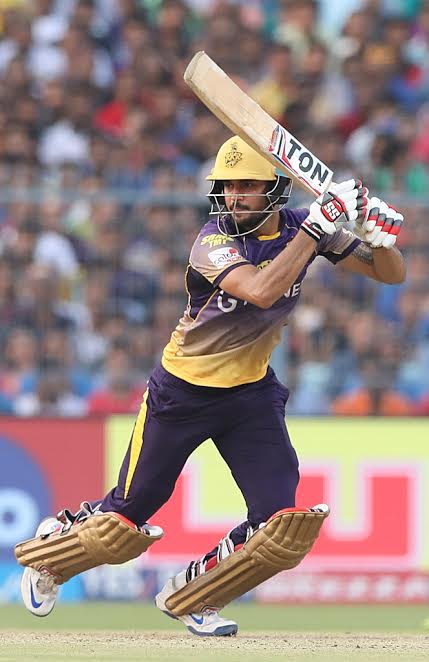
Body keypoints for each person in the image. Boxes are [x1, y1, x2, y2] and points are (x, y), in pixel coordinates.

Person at [15, 136, 406, 636]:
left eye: (247, 186)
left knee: (280, 525)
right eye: (228, 186)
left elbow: (391, 275)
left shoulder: (302, 227)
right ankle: (51, 555)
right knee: (125, 519)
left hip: (250, 395)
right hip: (183, 392)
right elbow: (261, 291)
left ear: (275, 190)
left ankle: (196, 594)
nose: (235, 196)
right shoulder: (214, 241)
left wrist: (377, 236)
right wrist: (319, 226)